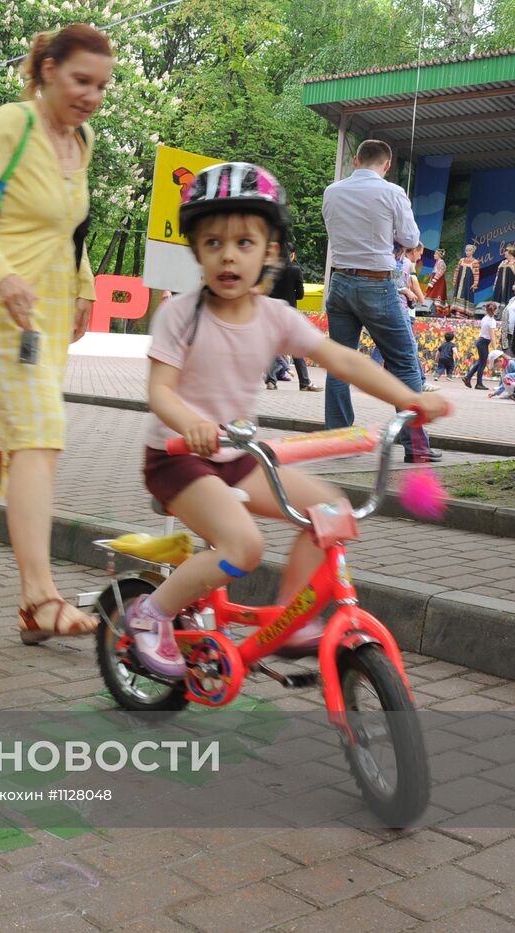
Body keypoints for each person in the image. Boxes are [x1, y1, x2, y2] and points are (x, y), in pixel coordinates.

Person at [121, 162, 451, 677]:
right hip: (178, 460)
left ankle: (291, 621)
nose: (228, 255)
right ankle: (149, 612)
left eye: (245, 243)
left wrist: (410, 399)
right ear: (196, 252)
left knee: (331, 511)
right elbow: (160, 392)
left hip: (237, 459)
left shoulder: (275, 316)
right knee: (243, 547)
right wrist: (190, 424)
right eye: (213, 243)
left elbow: (344, 360)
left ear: (269, 251)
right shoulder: (181, 315)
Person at [0, 24, 110, 640]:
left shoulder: (81, 139)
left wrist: (84, 287)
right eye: (80, 81)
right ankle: (39, 597)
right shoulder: (13, 123)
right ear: (47, 71)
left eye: (100, 86)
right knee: (39, 434)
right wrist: (4, 275)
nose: (90, 96)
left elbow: (66, 229)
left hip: (48, 316)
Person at [321, 138, 439, 464]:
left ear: (356, 160)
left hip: (340, 282)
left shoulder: (332, 191)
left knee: (340, 363)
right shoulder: (393, 192)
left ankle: (338, 439)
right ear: (386, 165)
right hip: (377, 284)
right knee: (404, 362)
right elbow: (412, 239)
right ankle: (415, 446)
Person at [263, 246, 318, 391]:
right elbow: (300, 295)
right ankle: (304, 383)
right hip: (289, 313)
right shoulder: (295, 270)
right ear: (292, 255)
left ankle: (271, 381)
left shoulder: (269, 270)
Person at [464, 303, 498, 390]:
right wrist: (495, 349)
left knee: (480, 362)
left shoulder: (485, 318)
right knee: (482, 363)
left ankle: (468, 377)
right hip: (484, 342)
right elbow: (492, 335)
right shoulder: (492, 321)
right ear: (494, 311)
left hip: (481, 341)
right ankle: (478, 383)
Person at [452, 245, 479, 315]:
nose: (467, 252)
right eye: (466, 250)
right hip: (460, 282)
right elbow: (457, 270)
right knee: (458, 294)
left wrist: (475, 284)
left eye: (469, 251)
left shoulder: (475, 262)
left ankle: (464, 312)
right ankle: (457, 310)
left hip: (468, 282)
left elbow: (476, 274)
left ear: (472, 252)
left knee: (466, 295)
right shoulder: (461, 260)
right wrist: (455, 280)